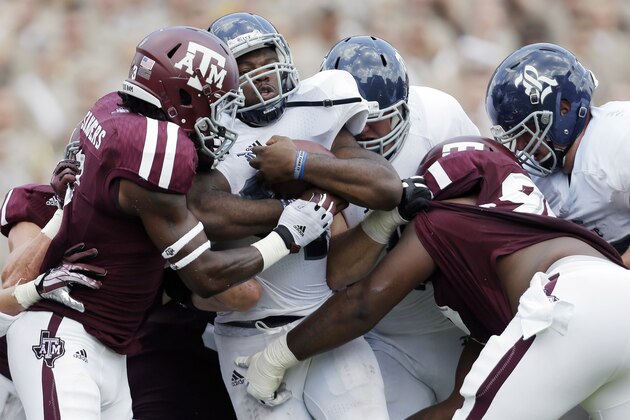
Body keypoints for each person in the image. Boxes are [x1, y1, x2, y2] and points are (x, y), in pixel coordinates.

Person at [5, 25, 333, 420]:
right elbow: (208, 277)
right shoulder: (155, 151)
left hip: (108, 349)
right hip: (62, 336)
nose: (222, 118)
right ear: (182, 95)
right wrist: (289, 232)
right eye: (218, 102)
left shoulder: (113, 107)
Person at [235, 135, 630, 419]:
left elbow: (362, 304)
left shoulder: (448, 217)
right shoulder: (520, 236)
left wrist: (276, 356)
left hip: (565, 305)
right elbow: (461, 402)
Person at [186, 12, 402, 419]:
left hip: (326, 325)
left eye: (266, 62)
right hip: (248, 337)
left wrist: (300, 163)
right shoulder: (210, 132)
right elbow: (203, 208)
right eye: (245, 68)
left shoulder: (318, 107)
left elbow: (385, 185)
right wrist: (292, 212)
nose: (260, 76)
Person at [320, 35, 481, 419]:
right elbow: (339, 273)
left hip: (458, 327)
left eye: (380, 121)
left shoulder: (441, 116)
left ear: (406, 108)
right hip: (386, 336)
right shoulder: (317, 147)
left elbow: (489, 208)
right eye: (355, 123)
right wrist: (389, 215)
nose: (369, 134)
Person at [486, 42, 630, 267]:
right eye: (516, 137)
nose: (523, 147)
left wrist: (615, 274)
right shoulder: (538, 179)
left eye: (527, 132)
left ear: (564, 110)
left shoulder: (619, 137)